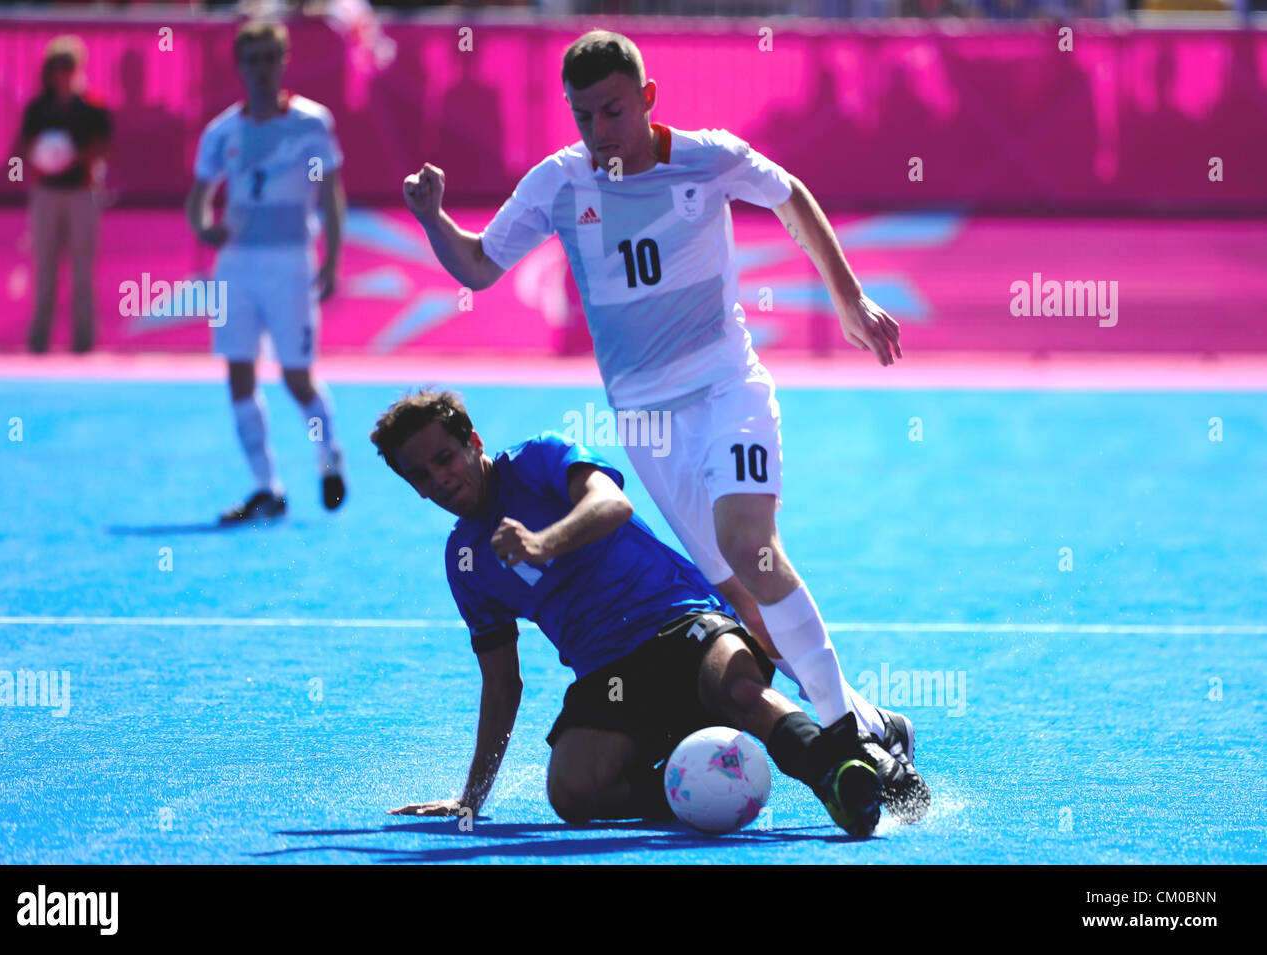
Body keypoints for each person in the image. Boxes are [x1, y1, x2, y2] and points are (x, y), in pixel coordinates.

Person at [402, 31, 904, 743]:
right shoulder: (559, 182)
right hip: (645, 421)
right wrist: (432, 219)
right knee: (739, 598)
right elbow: (480, 266)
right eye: (582, 116)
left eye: (612, 111)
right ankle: (873, 719)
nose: (599, 131)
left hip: (727, 388)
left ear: (647, 99)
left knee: (751, 547)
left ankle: (844, 731)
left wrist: (848, 297)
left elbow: (791, 198)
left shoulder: (709, 156)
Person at [370, 389, 929, 834]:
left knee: (739, 686)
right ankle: (702, 784)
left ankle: (837, 773)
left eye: (445, 458)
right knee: (573, 792)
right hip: (611, 679)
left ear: (473, 441)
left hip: (683, 621)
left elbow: (613, 504)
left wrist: (544, 544)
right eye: (418, 476)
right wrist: (470, 799)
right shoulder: (465, 561)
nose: (439, 479)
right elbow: (502, 684)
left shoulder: (539, 458)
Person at [186, 20, 347, 524]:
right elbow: (197, 199)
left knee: (297, 377)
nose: (259, 69)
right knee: (238, 374)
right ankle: (266, 488)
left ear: (283, 62)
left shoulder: (310, 123)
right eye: (250, 60)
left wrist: (333, 257)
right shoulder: (223, 132)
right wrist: (203, 226)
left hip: (290, 264)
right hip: (237, 266)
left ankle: (329, 457)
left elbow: (331, 194)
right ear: (239, 67)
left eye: (267, 59)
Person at [15, 35, 112, 355]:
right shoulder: (37, 108)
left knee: (83, 271)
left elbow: (104, 149)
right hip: (45, 194)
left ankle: (83, 343)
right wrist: (43, 160)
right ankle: (38, 342)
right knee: (44, 269)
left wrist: (75, 157)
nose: (61, 73)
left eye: (67, 66)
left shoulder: (93, 107)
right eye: (55, 66)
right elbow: (22, 148)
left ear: (78, 68)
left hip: (82, 193)